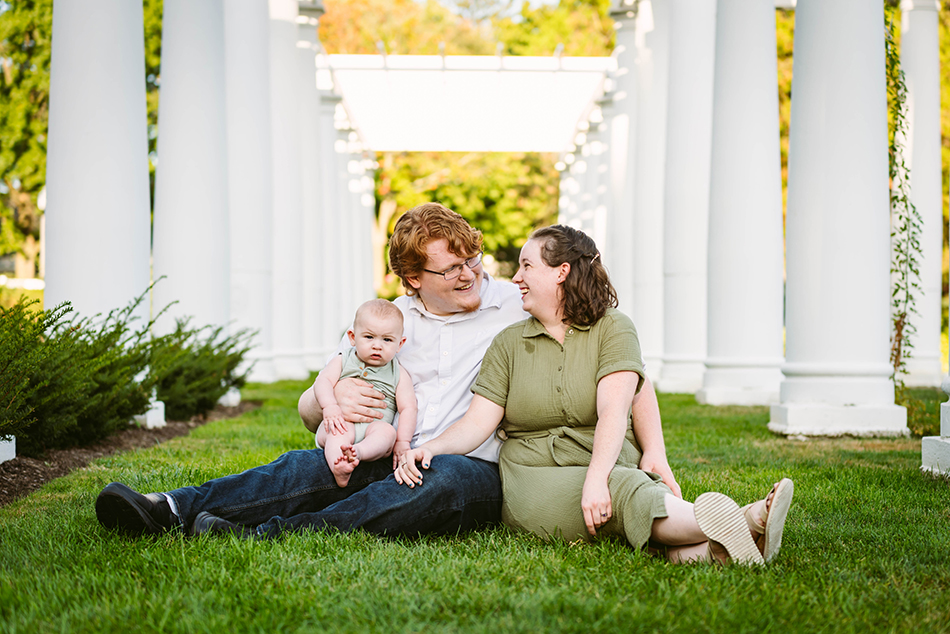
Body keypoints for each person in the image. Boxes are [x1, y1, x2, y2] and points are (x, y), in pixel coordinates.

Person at [95, 203, 680, 540]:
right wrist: (330, 405)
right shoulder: (389, 323)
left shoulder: (515, 299)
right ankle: (167, 507)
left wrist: (653, 452)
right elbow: (312, 405)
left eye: (471, 260)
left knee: (439, 485)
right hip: (382, 448)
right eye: (450, 270)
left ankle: (263, 535)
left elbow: (625, 373)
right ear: (413, 280)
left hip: (467, 464)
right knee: (303, 468)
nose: (469, 275)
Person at [394, 225, 794, 564]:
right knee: (627, 489)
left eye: (527, 266)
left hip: (605, 456)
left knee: (618, 484)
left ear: (561, 272)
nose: (516, 278)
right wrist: (430, 447)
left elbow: (617, 408)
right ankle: (747, 519)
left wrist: (604, 475)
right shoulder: (508, 342)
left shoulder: (614, 328)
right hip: (535, 475)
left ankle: (713, 551)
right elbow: (476, 424)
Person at [314, 298, 416, 487]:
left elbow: (408, 407)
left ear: (400, 344)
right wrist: (329, 406)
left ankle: (357, 453)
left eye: (387, 340)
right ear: (352, 337)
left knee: (387, 433)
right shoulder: (343, 360)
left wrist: (403, 441)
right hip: (342, 422)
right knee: (338, 432)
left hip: (374, 428)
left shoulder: (398, 372)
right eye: (369, 337)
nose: (377, 345)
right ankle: (340, 465)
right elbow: (323, 381)